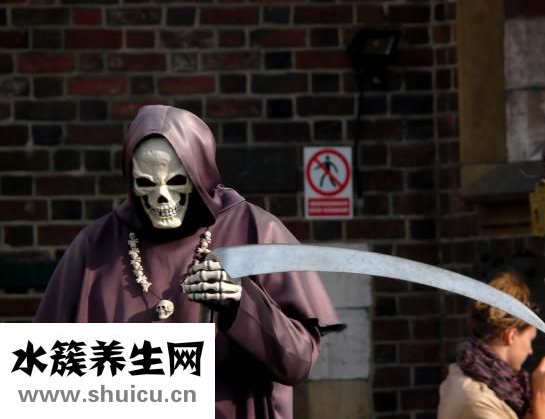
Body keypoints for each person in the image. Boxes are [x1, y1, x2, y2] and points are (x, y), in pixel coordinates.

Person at [35, 105, 342, 419]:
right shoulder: (95, 246)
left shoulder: (257, 231)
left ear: (200, 174)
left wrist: (241, 302)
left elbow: (298, 360)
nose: (162, 195)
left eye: (177, 180)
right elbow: (44, 372)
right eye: (147, 183)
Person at [437, 271, 545, 419]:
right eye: (530, 340)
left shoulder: (494, 383)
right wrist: (542, 398)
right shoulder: (478, 401)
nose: (530, 351)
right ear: (511, 336)